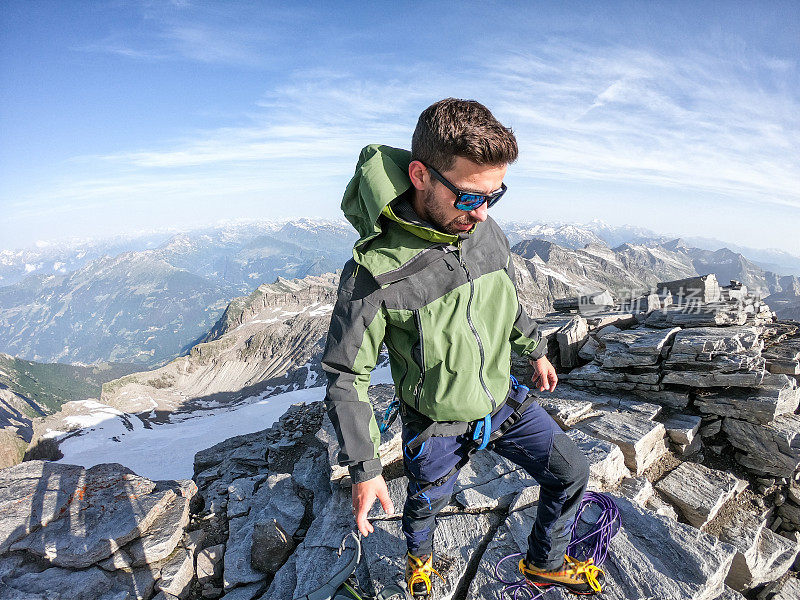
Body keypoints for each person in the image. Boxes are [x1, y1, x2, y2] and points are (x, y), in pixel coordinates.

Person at [322, 98, 603, 598]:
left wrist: (535, 349)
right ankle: (420, 562)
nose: (485, 212)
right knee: (426, 504)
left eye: (496, 195)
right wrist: (365, 469)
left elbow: (507, 298)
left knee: (571, 471)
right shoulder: (375, 272)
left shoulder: (483, 229)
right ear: (421, 175)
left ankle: (544, 563)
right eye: (472, 196)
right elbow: (346, 375)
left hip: (503, 399)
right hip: (436, 422)